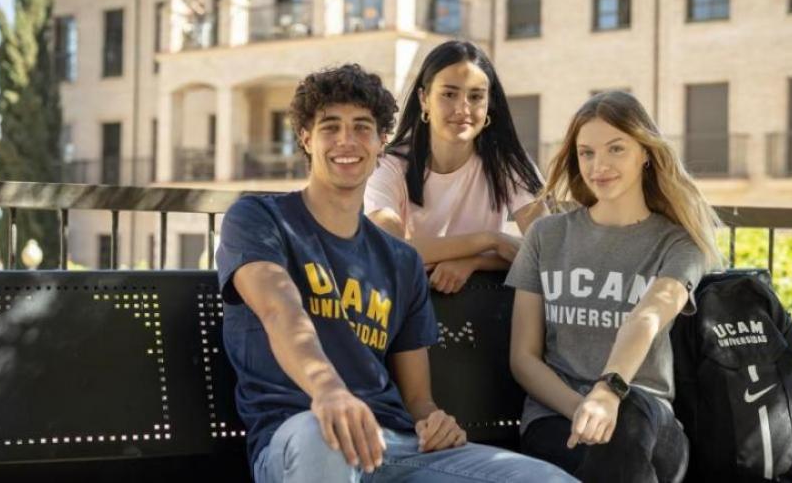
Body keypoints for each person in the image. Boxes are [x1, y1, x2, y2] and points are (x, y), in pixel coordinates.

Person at [215, 63, 576, 483]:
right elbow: (280, 312)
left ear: (382, 142)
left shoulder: (399, 261)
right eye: (330, 127)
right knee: (325, 433)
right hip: (301, 435)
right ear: (306, 138)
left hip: (395, 447)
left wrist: (434, 421)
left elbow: (418, 399)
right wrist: (329, 392)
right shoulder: (260, 218)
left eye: (362, 127)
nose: (346, 141)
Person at [506, 91, 725, 482]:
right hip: (557, 418)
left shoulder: (679, 243)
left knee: (627, 424)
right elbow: (523, 357)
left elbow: (648, 315)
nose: (599, 165)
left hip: (649, 422)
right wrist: (583, 408)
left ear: (645, 152)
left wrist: (608, 391)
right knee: (611, 445)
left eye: (616, 149)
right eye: (586, 152)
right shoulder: (546, 236)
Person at [366, 40, 545, 294]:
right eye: (449, 94)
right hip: (407, 303)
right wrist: (489, 240)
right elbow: (390, 250)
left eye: (475, 96)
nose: (463, 109)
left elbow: (548, 250)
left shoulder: (508, 162)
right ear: (424, 99)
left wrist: (476, 261)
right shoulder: (388, 165)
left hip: (487, 306)